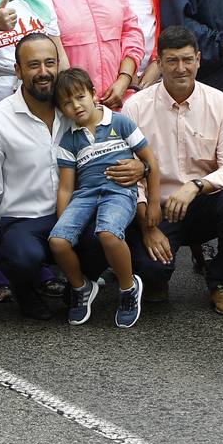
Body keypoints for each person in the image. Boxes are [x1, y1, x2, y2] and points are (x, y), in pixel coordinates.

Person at [122, 26, 223, 315]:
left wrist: (195, 186)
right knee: (151, 271)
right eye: (172, 61)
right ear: (159, 63)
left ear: (198, 59)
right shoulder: (135, 108)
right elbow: (130, 177)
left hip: (202, 200)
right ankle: (157, 275)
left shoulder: (220, 102)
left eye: (187, 60)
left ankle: (222, 283)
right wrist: (148, 227)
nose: (181, 68)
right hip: (157, 207)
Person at [0, 34, 70, 319]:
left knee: (106, 236)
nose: (43, 72)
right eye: (33, 65)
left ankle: (79, 289)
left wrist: (140, 166)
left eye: (50, 63)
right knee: (22, 257)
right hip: (23, 221)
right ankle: (25, 292)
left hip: (73, 213)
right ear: (18, 70)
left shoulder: (75, 108)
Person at [49, 67, 159, 329]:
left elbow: (150, 162)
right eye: (66, 103)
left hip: (119, 192)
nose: (75, 106)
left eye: (80, 97)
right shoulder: (69, 140)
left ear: (93, 94)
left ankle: (127, 287)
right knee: (58, 241)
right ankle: (80, 287)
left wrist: (153, 202)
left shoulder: (119, 122)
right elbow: (66, 187)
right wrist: (63, 221)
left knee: (108, 234)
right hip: (85, 195)